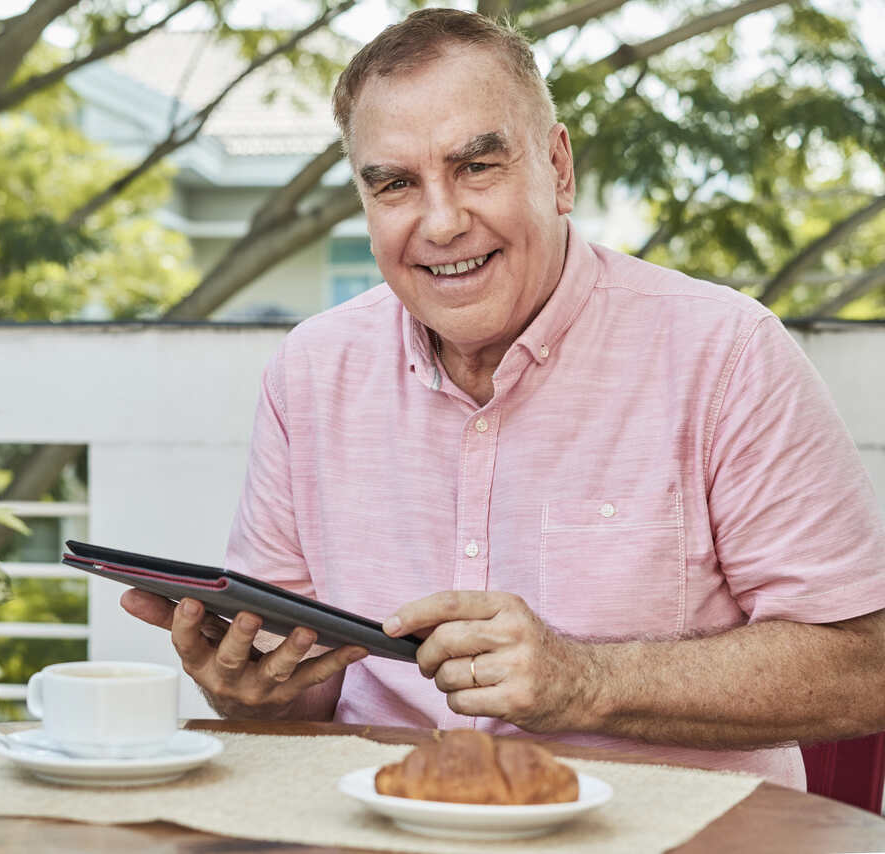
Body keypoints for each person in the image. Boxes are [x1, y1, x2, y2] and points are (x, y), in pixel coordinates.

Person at [121, 8, 885, 789]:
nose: (443, 222)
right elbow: (306, 692)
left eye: (476, 167)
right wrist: (258, 691)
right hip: (380, 833)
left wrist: (586, 680)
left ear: (558, 169)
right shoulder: (310, 371)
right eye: (395, 184)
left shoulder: (726, 353)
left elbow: (866, 668)